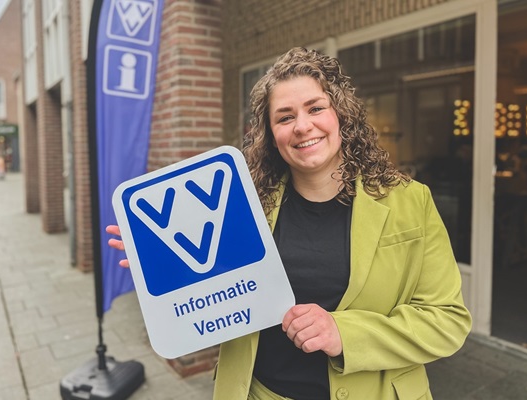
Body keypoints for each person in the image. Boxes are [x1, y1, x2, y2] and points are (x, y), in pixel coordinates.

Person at [106, 47, 471, 400]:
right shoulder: (244, 207)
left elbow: (447, 321)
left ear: (341, 115)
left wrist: (344, 333)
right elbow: (217, 298)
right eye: (284, 117)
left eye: (316, 108)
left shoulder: (410, 201)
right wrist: (166, 269)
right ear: (271, 134)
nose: (302, 126)